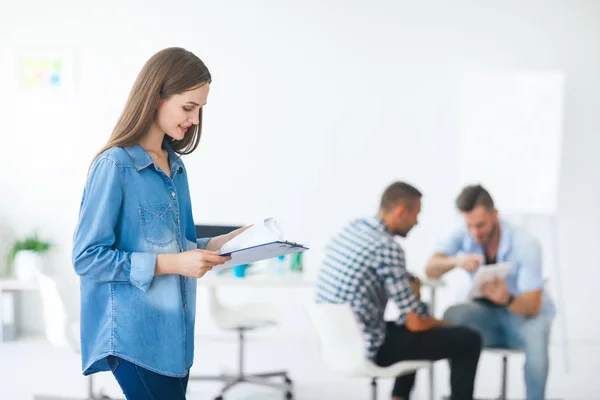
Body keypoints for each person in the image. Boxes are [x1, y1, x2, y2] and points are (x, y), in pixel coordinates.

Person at [72, 47, 247, 399]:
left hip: (176, 340)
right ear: (156, 98)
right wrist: (174, 263)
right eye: (188, 107)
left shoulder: (176, 166)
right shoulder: (115, 166)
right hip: (134, 338)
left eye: (200, 109)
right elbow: (87, 257)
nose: (195, 120)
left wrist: (216, 245)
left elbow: (174, 247)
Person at [315, 182, 482, 400]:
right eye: (416, 214)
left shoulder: (354, 229)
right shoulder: (387, 247)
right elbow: (416, 321)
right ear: (401, 211)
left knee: (408, 334)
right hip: (369, 346)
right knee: (468, 339)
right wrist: (441, 323)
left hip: (340, 341)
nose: (417, 222)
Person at [425, 184, 555, 400]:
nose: (475, 233)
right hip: (486, 316)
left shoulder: (526, 244)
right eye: (469, 226)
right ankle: (460, 395)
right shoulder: (465, 234)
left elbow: (533, 306)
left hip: (522, 316)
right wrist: (457, 260)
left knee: (539, 329)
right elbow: (430, 267)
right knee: (453, 316)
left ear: (495, 215)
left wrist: (506, 298)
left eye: (481, 225)